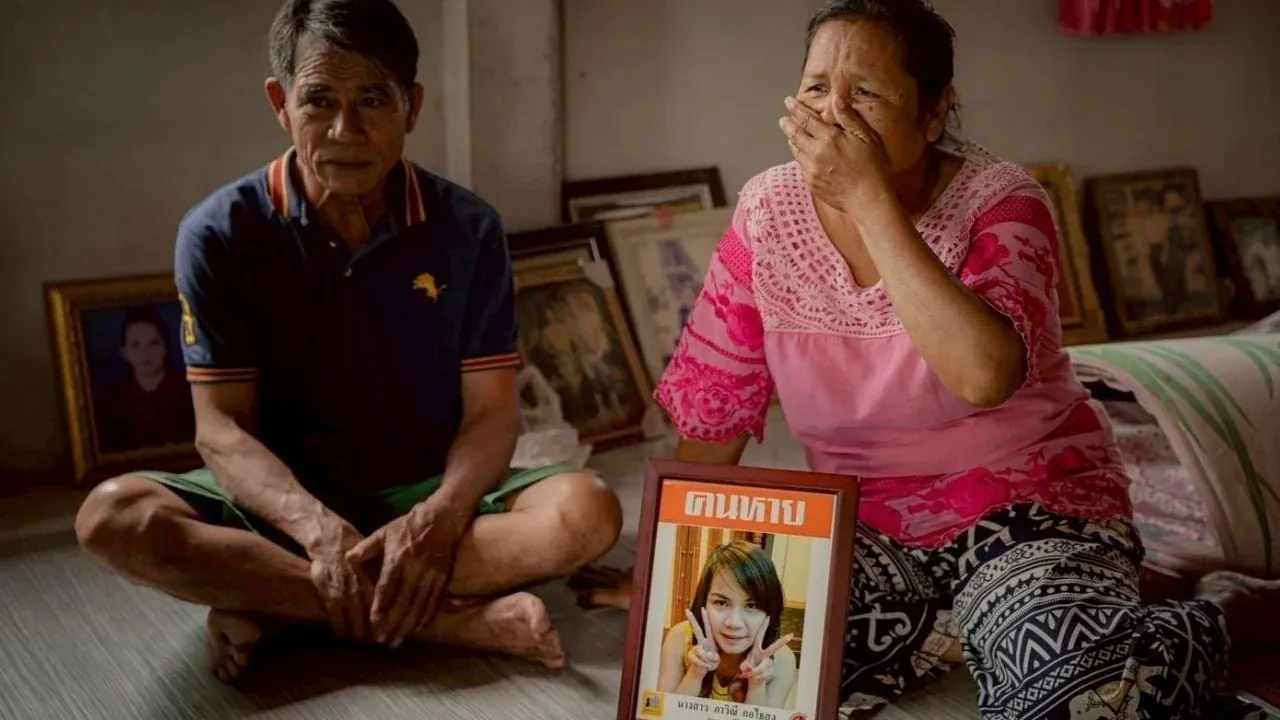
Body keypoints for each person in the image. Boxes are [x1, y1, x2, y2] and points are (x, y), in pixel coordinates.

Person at [572, 1, 1280, 717]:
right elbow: (715, 405)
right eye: (817, 88)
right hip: (864, 524)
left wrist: (870, 201)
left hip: (1028, 504)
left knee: (1082, 704)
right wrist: (681, 567)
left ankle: (1218, 615)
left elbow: (984, 376)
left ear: (936, 113)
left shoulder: (1004, 204)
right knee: (725, 674)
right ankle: (956, 624)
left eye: (867, 94)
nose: (835, 115)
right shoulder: (766, 213)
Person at [73, 0, 621, 684]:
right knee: (113, 517)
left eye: (373, 99)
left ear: (412, 106)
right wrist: (316, 530)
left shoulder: (468, 228)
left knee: (587, 511)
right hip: (275, 507)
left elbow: (492, 411)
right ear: (280, 103)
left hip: (425, 491)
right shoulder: (219, 233)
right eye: (319, 99)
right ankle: (446, 624)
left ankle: (278, 604)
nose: (345, 129)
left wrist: (439, 519)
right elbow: (221, 431)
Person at [656, 542, 796, 707]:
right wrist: (696, 673)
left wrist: (756, 685)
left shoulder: (781, 659)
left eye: (751, 606)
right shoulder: (680, 638)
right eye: (721, 602)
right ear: (703, 602)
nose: (734, 623)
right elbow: (661, 715)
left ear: (769, 612)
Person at [96, 307, 196, 453]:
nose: (145, 353)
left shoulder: (189, 390)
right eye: (135, 345)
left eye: (154, 343)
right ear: (123, 352)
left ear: (166, 348)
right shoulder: (112, 400)